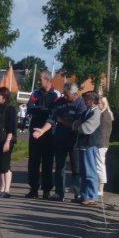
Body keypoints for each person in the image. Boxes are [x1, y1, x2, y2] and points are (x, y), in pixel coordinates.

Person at [32, 82, 86, 201]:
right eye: (63, 94)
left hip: (75, 141)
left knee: (76, 168)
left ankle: (78, 193)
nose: (64, 97)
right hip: (60, 139)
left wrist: (61, 120)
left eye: (67, 95)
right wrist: (42, 130)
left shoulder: (81, 104)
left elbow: (77, 125)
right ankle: (59, 193)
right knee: (59, 167)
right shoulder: (60, 102)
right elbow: (51, 119)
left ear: (75, 93)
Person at [26, 71, 59, 199]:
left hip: (49, 133)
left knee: (48, 162)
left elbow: (54, 111)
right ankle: (33, 188)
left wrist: (38, 108)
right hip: (34, 130)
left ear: (48, 80)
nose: (39, 82)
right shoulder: (35, 93)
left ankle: (46, 189)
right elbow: (29, 107)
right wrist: (44, 109)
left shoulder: (55, 94)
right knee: (33, 161)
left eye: (41, 79)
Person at [71, 91, 102, 205]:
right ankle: (84, 195)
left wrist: (78, 126)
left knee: (90, 171)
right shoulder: (86, 112)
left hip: (90, 144)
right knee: (83, 172)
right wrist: (77, 125)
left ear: (93, 100)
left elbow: (87, 128)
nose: (85, 101)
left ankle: (92, 195)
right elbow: (76, 123)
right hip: (83, 144)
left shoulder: (96, 112)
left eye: (87, 99)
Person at [0, 87, 17, 198]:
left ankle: (7, 190)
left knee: (6, 165)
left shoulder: (10, 109)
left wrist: (7, 142)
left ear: (4, 97)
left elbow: (11, 128)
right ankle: (1, 188)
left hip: (6, 140)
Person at [97, 96, 113, 198]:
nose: (97, 105)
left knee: (100, 165)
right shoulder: (106, 114)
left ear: (103, 104)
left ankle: (100, 189)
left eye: (99, 103)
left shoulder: (104, 116)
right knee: (99, 165)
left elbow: (101, 132)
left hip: (101, 144)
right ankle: (98, 187)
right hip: (103, 143)